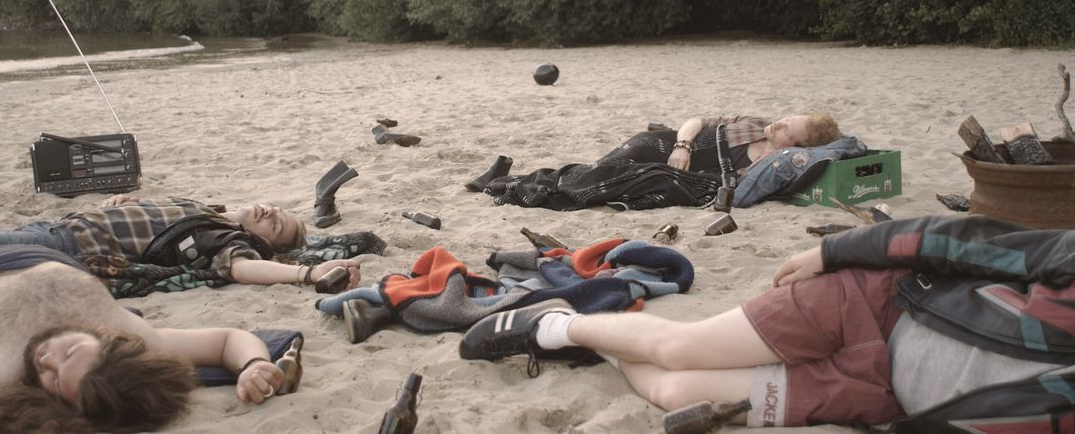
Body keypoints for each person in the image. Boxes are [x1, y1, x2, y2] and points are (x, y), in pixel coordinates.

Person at [458, 214, 1075, 429]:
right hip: (876, 301)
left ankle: (607, 347)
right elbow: (964, 240)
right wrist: (834, 252)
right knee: (680, 349)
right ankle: (561, 326)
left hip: (877, 394)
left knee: (673, 392)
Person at [0, 244, 293, 433]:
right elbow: (229, 339)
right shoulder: (136, 334)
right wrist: (255, 365)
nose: (46, 360)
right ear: (108, 339)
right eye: (69, 352)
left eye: (53, 380)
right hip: (29, 256)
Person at [0, 195, 362, 289]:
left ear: (261, 242)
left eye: (275, 225)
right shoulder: (203, 208)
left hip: (65, 246)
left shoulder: (225, 241)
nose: (271, 213)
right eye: (276, 209)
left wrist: (305, 272)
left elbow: (241, 269)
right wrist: (125, 202)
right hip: (59, 224)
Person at [467, 114, 841, 211]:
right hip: (674, 147)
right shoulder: (754, 123)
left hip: (679, 178)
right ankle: (512, 181)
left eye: (791, 129)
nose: (781, 124)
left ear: (799, 145)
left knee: (610, 179)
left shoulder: (775, 165)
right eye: (788, 118)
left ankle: (510, 182)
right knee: (627, 154)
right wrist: (682, 144)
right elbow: (697, 120)